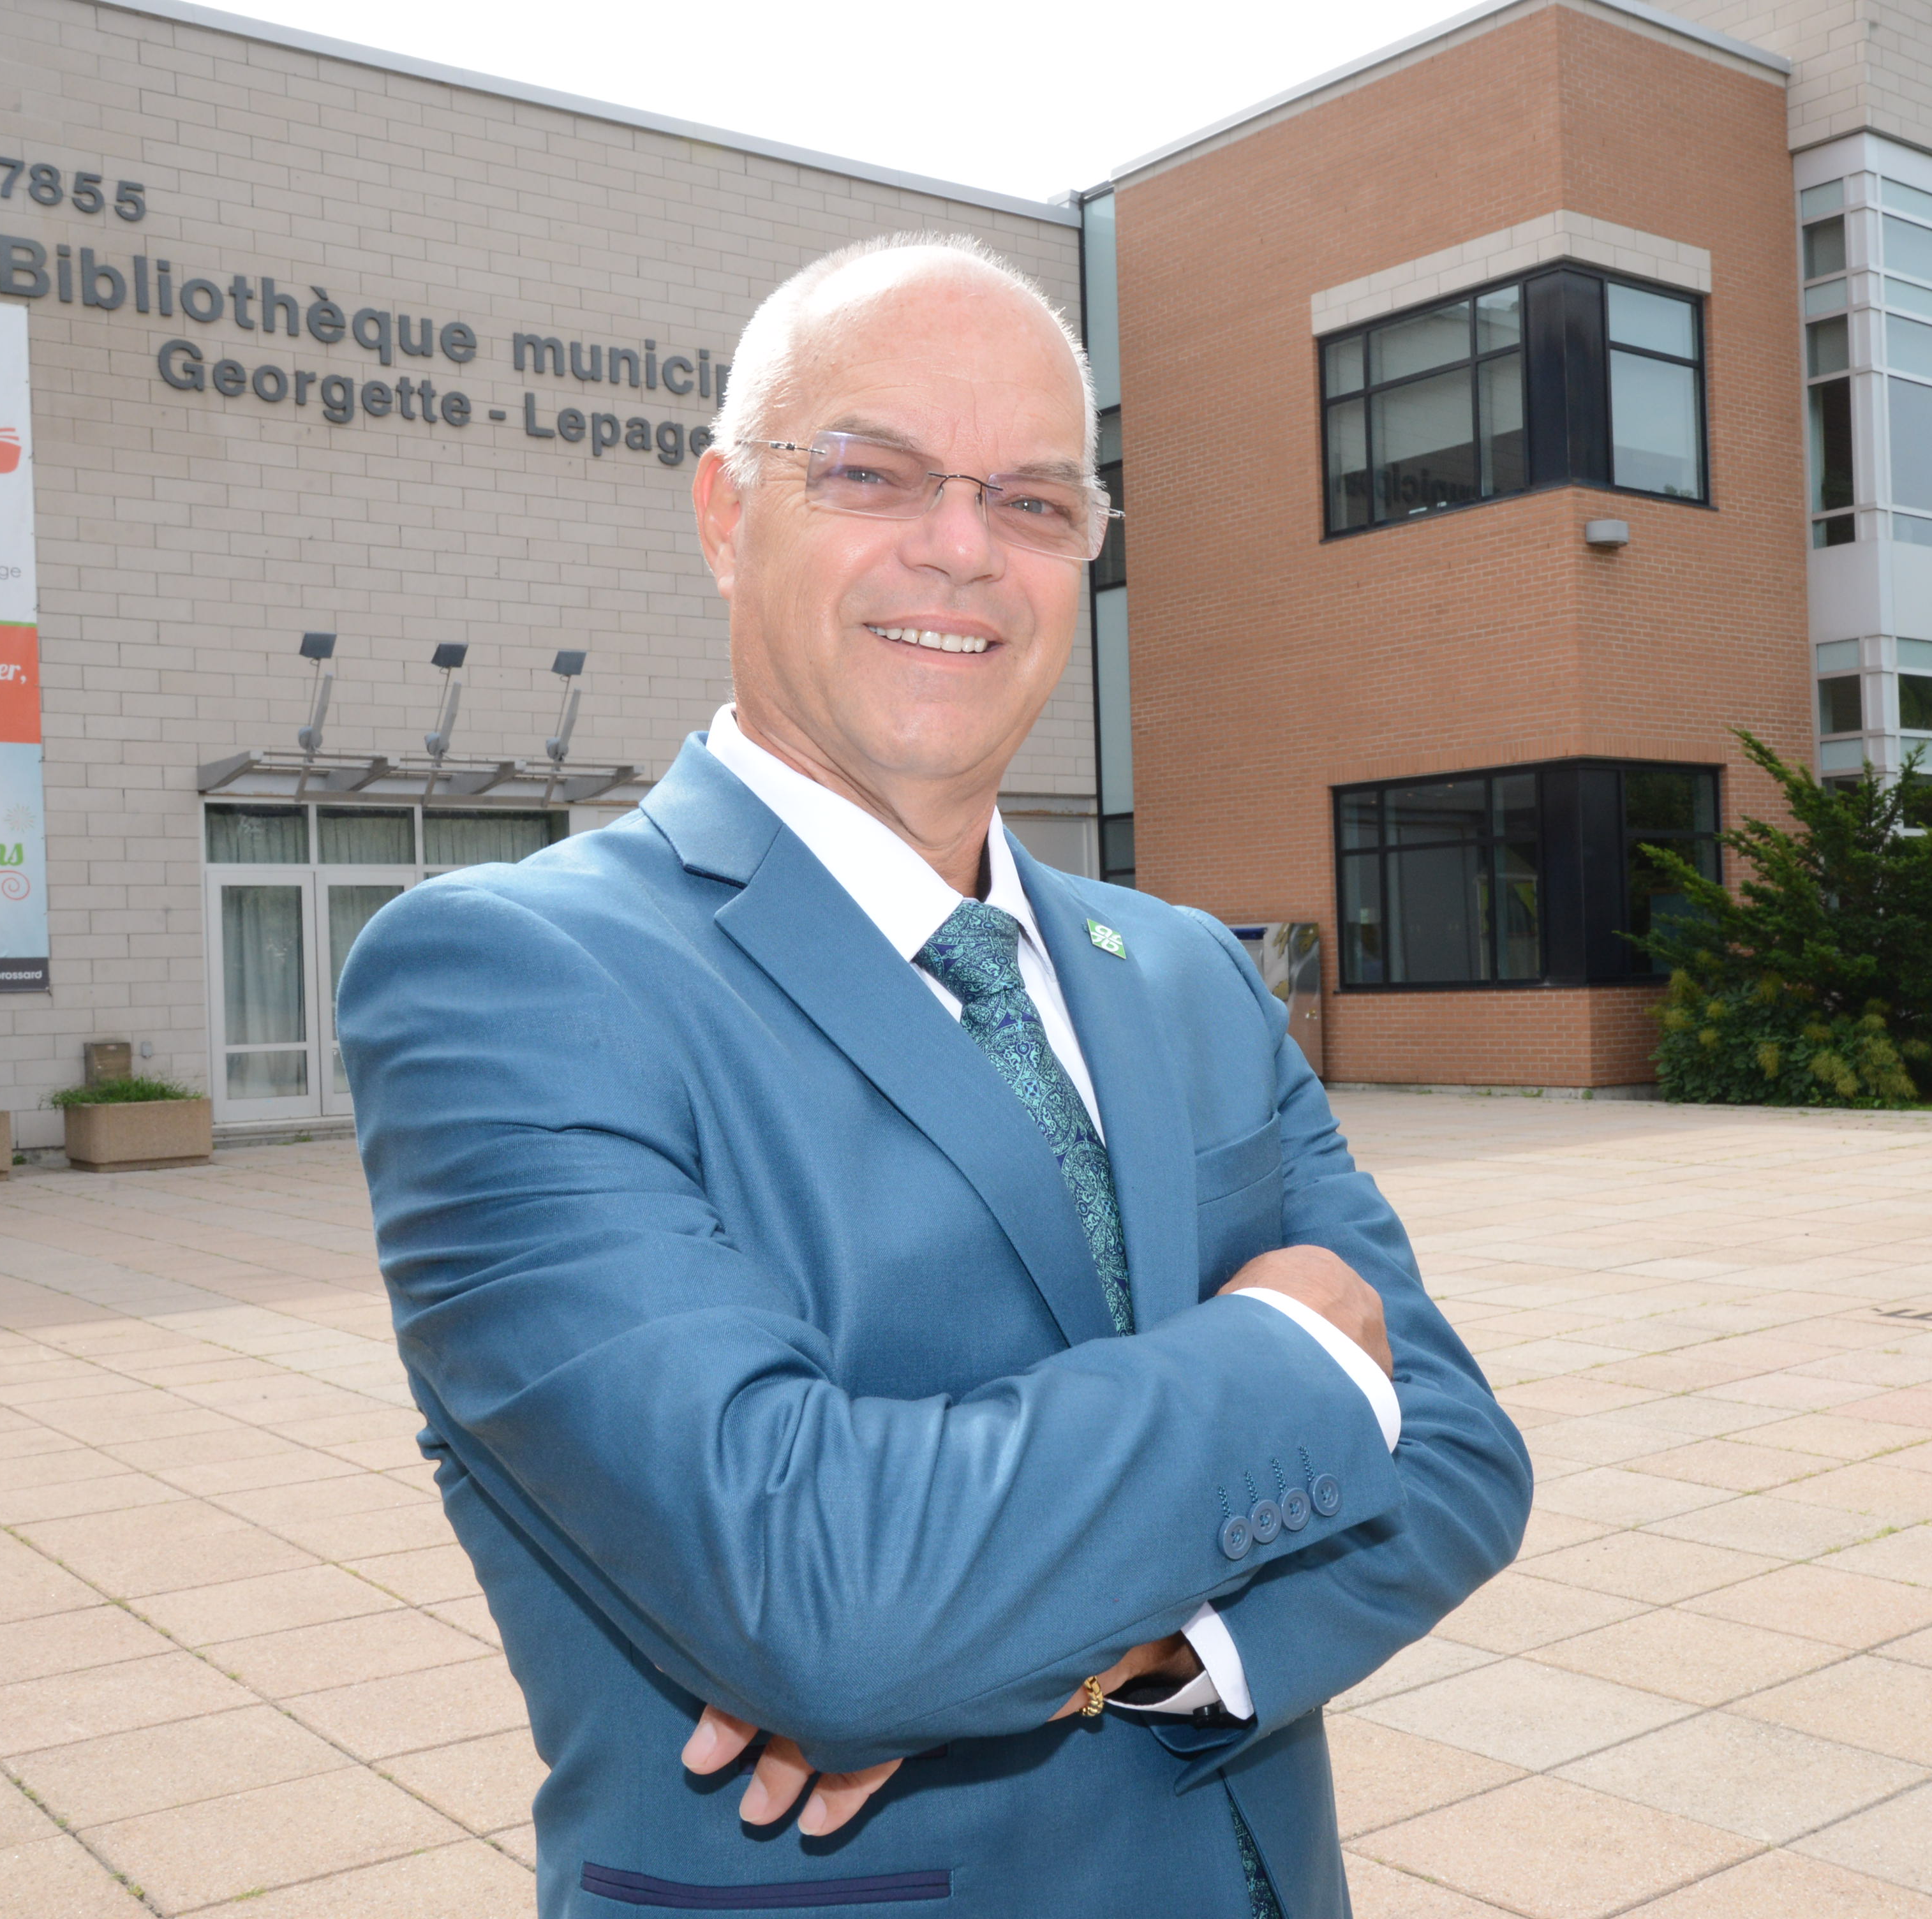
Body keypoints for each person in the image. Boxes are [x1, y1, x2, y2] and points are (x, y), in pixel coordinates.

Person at [338, 232, 1530, 1919]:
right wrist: (1284, 1355)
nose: (961, 549)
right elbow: (827, 1607)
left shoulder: (1188, 968)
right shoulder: (517, 980)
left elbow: (1467, 1455)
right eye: (872, 474)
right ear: (724, 513)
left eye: (1036, 502)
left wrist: (1132, 1643)